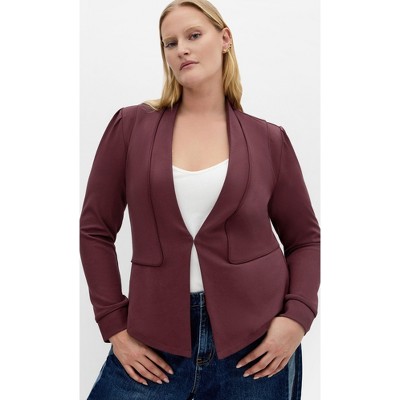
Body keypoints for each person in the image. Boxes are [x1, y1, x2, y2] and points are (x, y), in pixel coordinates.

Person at [80, 0, 320, 399]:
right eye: (170, 43)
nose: (182, 49)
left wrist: (297, 317)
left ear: (225, 39)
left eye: (193, 35)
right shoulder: (131, 127)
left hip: (257, 344)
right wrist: (115, 327)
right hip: (153, 340)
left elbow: (305, 238)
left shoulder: (268, 140)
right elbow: (95, 230)